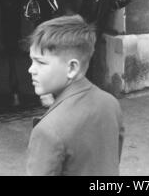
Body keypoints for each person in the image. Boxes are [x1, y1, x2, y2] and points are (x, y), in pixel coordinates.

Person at [26, 15, 124, 176]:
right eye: (31, 61)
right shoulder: (110, 103)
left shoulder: (48, 130)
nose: (31, 69)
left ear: (72, 68)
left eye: (40, 62)